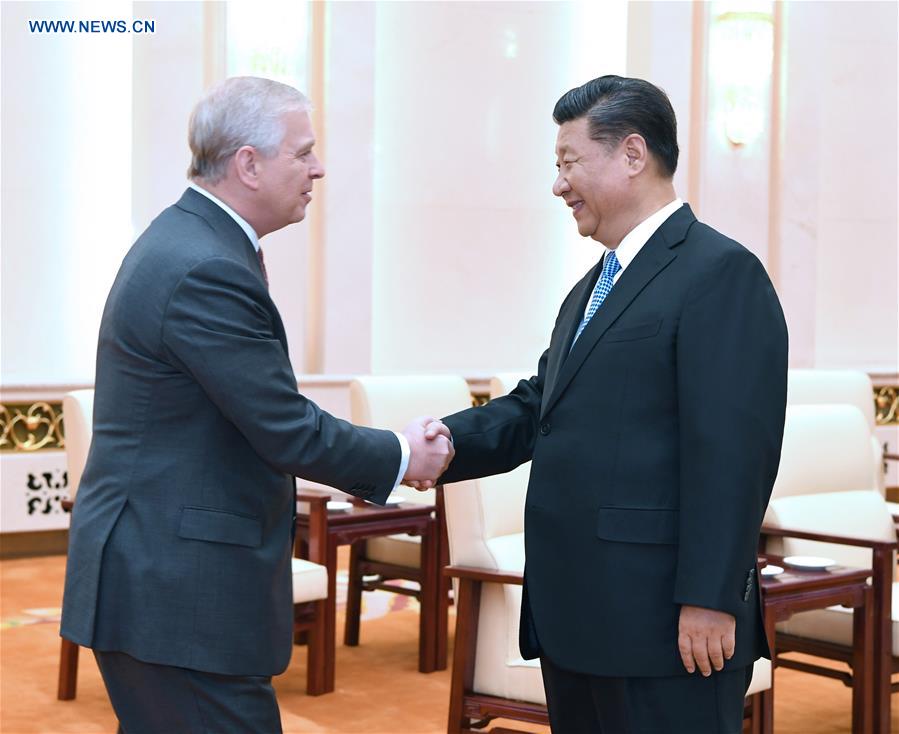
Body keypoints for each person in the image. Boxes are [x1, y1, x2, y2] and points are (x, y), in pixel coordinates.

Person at [60, 76, 453, 733]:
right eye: (303, 152)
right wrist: (401, 454)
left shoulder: (194, 241)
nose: (318, 168)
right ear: (248, 164)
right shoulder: (204, 266)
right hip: (175, 589)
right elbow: (284, 427)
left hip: (163, 580)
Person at [428, 75, 788, 733]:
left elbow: (733, 455)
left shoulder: (719, 272)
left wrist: (709, 598)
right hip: (579, 616)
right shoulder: (589, 289)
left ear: (631, 154)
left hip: (667, 628)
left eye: (568, 162)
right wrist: (439, 444)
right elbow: (539, 408)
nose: (558, 185)